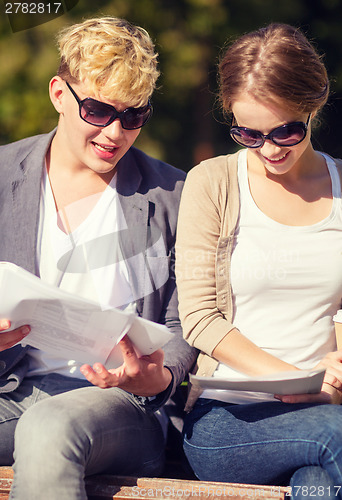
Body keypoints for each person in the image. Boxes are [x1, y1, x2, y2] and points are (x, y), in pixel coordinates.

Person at [0, 16, 196, 500]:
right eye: (98, 110)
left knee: (49, 428)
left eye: (133, 116)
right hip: (12, 389)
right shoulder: (4, 176)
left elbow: (185, 324)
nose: (115, 133)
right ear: (58, 95)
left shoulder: (175, 194)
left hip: (122, 406)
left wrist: (157, 376)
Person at [175, 23, 342, 498]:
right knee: (333, 434)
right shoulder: (211, 183)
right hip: (228, 418)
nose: (269, 150)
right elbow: (200, 319)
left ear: (316, 104)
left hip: (327, 408)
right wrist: (292, 382)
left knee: (317, 485)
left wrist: (332, 386)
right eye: (248, 133)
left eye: (287, 131)